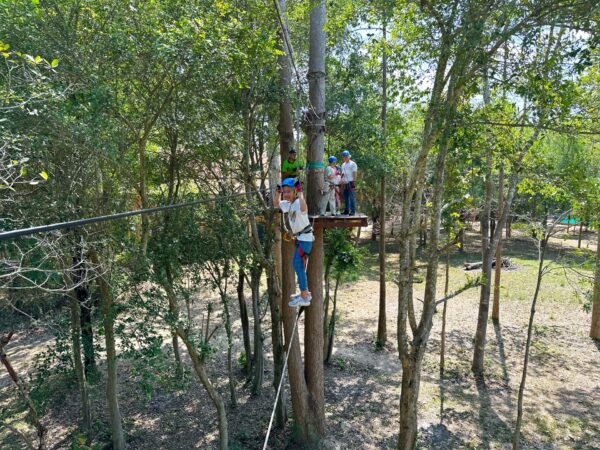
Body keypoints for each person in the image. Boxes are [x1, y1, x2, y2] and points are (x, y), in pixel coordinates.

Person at [274, 178, 314, 307]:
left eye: (289, 191)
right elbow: (276, 204)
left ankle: (305, 295)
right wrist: (278, 192)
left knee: (297, 265)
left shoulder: (298, 202)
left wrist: (300, 191)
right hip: (301, 239)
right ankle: (304, 292)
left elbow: (304, 207)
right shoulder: (289, 204)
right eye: (285, 192)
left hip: (305, 239)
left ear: (295, 192)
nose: (286, 194)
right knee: (298, 266)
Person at [340, 150, 357, 216]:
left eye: (346, 156)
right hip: (345, 183)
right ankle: (347, 210)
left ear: (349, 156)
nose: (345, 158)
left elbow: (354, 173)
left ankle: (353, 211)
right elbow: (342, 174)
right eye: (344, 157)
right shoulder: (343, 165)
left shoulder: (353, 164)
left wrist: (354, 182)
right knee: (346, 197)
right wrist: (341, 180)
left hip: (351, 182)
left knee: (352, 197)